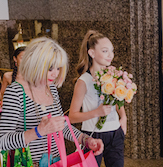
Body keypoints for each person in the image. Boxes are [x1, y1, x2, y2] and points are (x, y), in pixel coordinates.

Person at [0, 37, 104, 166]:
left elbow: (62, 126)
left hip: (57, 162)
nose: (55, 74)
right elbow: (2, 141)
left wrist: (86, 140)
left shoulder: (51, 88)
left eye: (58, 68)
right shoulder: (15, 91)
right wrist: (39, 131)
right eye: (50, 69)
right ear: (35, 64)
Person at [69, 30, 127, 167]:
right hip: (92, 136)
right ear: (92, 53)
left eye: (111, 51)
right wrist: (97, 112)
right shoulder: (83, 81)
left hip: (115, 134)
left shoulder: (114, 76)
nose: (110, 55)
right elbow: (72, 116)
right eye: (105, 51)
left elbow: (118, 100)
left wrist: (123, 118)